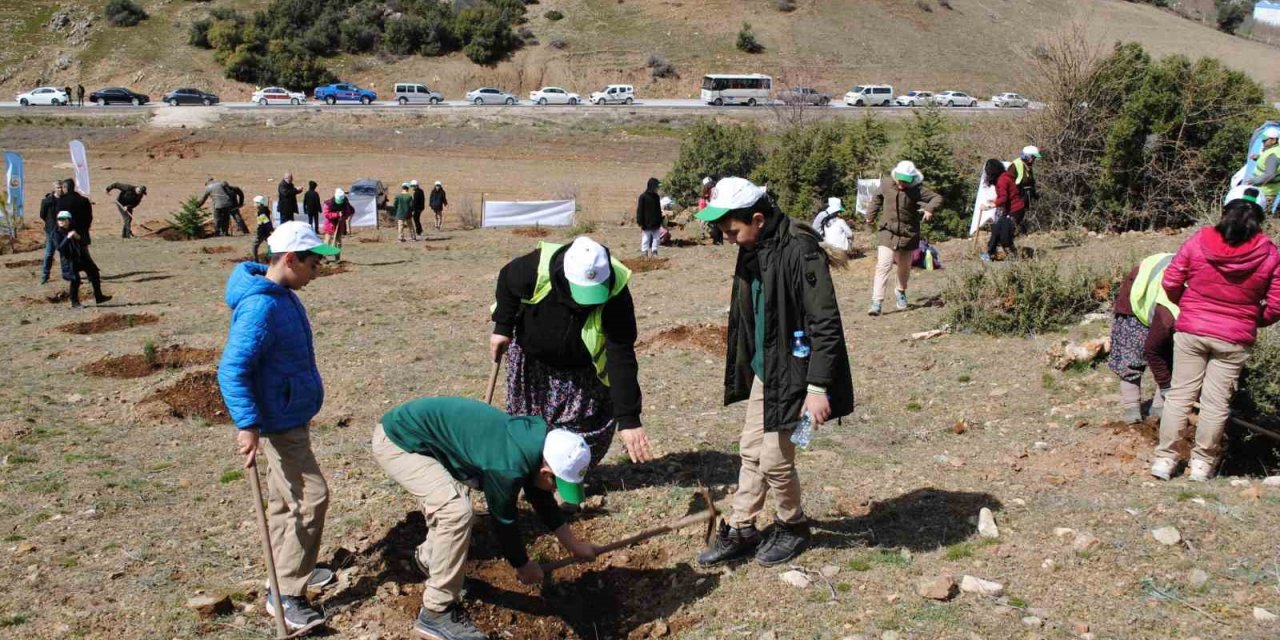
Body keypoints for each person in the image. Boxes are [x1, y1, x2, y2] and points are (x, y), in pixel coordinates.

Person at [691, 177, 854, 567]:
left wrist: (818, 388)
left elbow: (825, 324)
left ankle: (792, 525)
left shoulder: (800, 250)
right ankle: (742, 527)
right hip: (769, 370)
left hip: (799, 378)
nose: (727, 237)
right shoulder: (754, 246)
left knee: (777, 461)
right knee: (750, 452)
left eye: (732, 230)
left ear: (758, 219)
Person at [372, 396, 599, 640]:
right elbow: (504, 520)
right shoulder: (507, 465)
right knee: (455, 513)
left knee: (455, 509)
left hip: (420, 434)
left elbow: (540, 497)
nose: (555, 491)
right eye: (557, 485)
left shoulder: (540, 444)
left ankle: (430, 560)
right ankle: (436, 613)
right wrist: (522, 565)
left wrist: (574, 546)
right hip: (399, 441)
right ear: (546, 471)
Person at [217, 221, 341, 634]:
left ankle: (287, 568)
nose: (316, 273)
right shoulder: (261, 307)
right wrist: (247, 424)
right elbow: (232, 369)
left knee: (285, 501)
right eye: (312, 264)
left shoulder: (283, 295)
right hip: (278, 423)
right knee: (311, 498)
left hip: (289, 415)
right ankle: (286, 593)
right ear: (290, 259)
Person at [490, 237, 654, 470]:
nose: (585, 304)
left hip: (582, 368)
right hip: (533, 360)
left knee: (585, 430)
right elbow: (507, 279)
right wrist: (502, 327)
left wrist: (628, 418)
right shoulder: (535, 268)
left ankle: (566, 474)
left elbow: (621, 354)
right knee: (529, 429)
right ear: (564, 277)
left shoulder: (616, 292)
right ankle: (535, 477)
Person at [1152, 185, 1280, 482]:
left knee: (1180, 396)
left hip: (1192, 330)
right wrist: (1249, 320)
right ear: (1261, 217)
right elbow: (1276, 305)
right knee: (1216, 404)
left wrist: (1187, 306)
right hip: (1234, 338)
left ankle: (1165, 460)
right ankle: (1201, 465)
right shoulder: (1270, 253)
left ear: (1224, 210)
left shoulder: (1199, 240)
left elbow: (1171, 280)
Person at [866, 161, 942, 316]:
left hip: (908, 234)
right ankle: (876, 302)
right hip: (887, 232)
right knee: (883, 265)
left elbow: (937, 198)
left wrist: (929, 209)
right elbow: (876, 199)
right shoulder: (886, 184)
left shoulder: (917, 190)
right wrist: (870, 216)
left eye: (905, 182)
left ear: (912, 180)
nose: (901, 184)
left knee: (904, 266)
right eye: (900, 181)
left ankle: (900, 291)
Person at [1109, 253, 1179, 424]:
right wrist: (1166, 386)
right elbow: (1152, 349)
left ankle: (1158, 409)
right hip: (1136, 296)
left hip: (1163, 299)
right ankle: (1132, 408)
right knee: (1131, 356)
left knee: (1172, 358)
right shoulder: (1171, 312)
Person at [52, 211, 110, 308]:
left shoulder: (74, 229)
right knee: (75, 280)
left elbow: (84, 241)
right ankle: (74, 302)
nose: (61, 221)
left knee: (94, 272)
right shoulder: (56, 233)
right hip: (69, 260)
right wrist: (67, 238)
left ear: (69, 220)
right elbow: (59, 248)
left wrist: (78, 237)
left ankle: (99, 297)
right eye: (59, 219)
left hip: (80, 257)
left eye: (63, 219)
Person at [979, 159, 1023, 261]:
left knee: (1004, 236)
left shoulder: (1002, 180)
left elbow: (1004, 198)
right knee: (996, 230)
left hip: (1015, 210)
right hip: (1008, 209)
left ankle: (1013, 257)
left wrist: (989, 206)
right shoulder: (1002, 177)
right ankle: (990, 254)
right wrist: (994, 200)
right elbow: (1007, 194)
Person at [1245, 126, 1280, 210]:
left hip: (1266, 192)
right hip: (1264, 189)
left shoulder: (1273, 155)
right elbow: (1269, 162)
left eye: (1265, 140)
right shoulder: (1274, 149)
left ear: (1273, 140)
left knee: (1257, 213)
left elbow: (1270, 174)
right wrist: (1258, 157)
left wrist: (1253, 181)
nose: (1263, 141)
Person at [56, 178, 94, 247]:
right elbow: (89, 217)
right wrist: (86, 228)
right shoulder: (84, 200)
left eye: (62, 187)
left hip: (67, 234)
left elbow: (59, 217)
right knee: (83, 252)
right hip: (82, 232)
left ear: (65, 187)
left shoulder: (62, 201)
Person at [39, 181, 64, 284]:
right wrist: (51, 223)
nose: (60, 189)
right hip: (52, 230)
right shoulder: (47, 201)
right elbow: (42, 215)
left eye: (61, 187)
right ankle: (45, 276)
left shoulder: (66, 200)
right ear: (54, 188)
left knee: (65, 253)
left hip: (64, 230)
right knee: (49, 253)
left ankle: (67, 274)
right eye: (58, 187)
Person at [1010, 145, 1040, 227]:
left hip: (1025, 198)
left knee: (1020, 218)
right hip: (1017, 198)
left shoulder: (1028, 166)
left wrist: (1034, 194)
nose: (1034, 160)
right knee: (1014, 219)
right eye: (1033, 157)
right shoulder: (1015, 165)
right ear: (1027, 156)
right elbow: (1008, 183)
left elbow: (1030, 182)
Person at [322, 188, 354, 258]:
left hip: (340, 225)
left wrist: (343, 217)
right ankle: (324, 257)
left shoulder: (345, 203)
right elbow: (326, 214)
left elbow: (348, 212)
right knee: (327, 240)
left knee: (338, 241)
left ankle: (337, 257)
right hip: (330, 224)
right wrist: (336, 214)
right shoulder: (328, 203)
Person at [636, 177, 663, 258]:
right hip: (646, 222)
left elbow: (658, 209)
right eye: (656, 187)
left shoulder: (656, 197)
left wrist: (660, 219)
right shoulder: (643, 197)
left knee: (656, 238)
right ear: (652, 186)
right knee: (646, 238)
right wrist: (640, 221)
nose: (657, 189)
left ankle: (654, 252)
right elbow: (640, 210)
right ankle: (644, 252)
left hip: (656, 222)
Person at [698, 177, 723, 245]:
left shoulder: (712, 191)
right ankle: (718, 240)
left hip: (715, 209)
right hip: (717, 209)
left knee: (715, 225)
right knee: (716, 225)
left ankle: (717, 240)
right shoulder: (716, 189)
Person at [251, 196, 274, 263]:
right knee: (270, 244)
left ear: (259, 203)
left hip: (262, 232)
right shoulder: (265, 210)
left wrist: (270, 229)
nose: (254, 204)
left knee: (254, 246)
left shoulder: (261, 212)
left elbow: (265, 222)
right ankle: (269, 257)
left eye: (255, 203)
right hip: (267, 231)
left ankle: (255, 260)